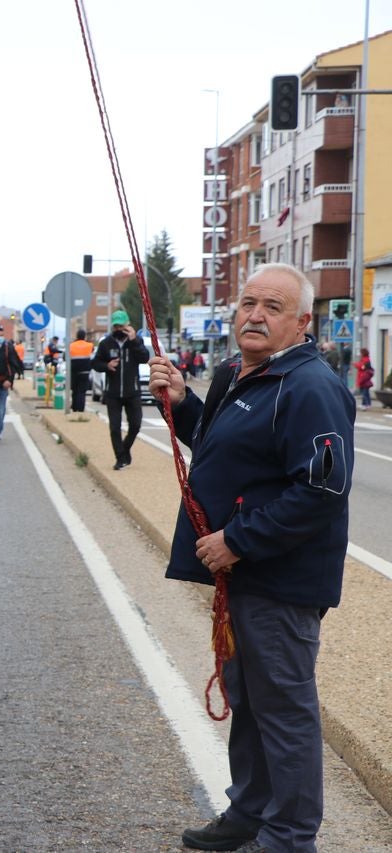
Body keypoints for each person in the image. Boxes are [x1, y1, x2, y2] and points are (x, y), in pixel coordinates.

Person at [148, 263, 353, 853]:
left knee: (284, 710)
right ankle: (250, 812)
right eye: (247, 303)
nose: (255, 315)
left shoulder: (309, 386)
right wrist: (184, 405)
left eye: (272, 306)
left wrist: (238, 540)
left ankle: (289, 837)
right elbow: (224, 450)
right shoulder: (238, 374)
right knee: (249, 701)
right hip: (243, 580)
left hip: (281, 580)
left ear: (302, 323)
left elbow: (321, 490)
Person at [91, 310, 149, 471]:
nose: (118, 329)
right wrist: (106, 366)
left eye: (121, 326)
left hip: (133, 391)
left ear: (128, 325)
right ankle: (120, 458)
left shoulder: (137, 341)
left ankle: (125, 449)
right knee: (115, 427)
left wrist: (134, 340)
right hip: (113, 393)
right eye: (115, 326)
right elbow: (95, 363)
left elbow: (144, 358)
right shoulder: (106, 343)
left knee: (136, 425)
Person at [67, 329, 95, 412]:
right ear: (84, 336)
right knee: (82, 391)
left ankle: (74, 407)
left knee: (75, 390)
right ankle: (81, 408)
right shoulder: (90, 345)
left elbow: (66, 357)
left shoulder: (71, 345)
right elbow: (92, 353)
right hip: (85, 372)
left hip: (74, 371)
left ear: (77, 336)